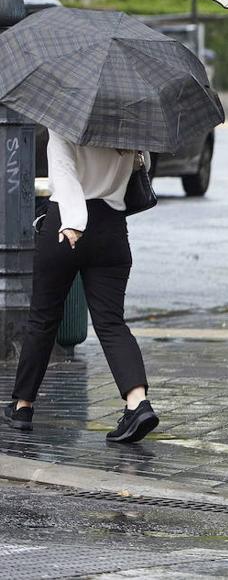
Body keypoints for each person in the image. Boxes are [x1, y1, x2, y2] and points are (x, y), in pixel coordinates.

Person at [5, 133, 158, 443]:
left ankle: (23, 407)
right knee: (112, 322)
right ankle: (137, 403)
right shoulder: (127, 126)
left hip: (66, 224)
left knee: (43, 319)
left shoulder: (65, 123)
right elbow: (142, 166)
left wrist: (74, 221)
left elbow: (64, 172)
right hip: (112, 227)